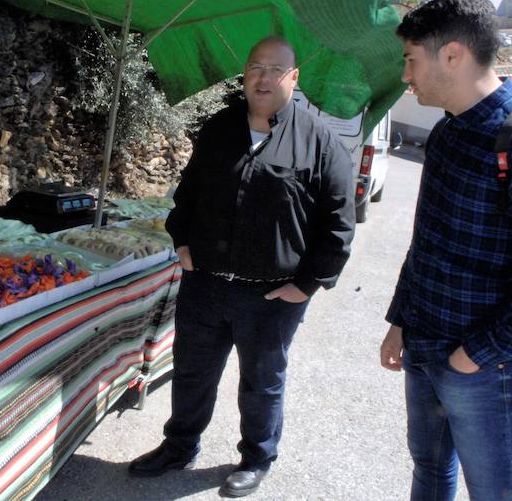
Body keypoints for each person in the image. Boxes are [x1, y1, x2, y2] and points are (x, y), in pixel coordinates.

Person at [129, 36, 355, 497]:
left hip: (272, 296)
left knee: (261, 382)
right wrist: (183, 241)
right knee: (192, 372)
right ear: (245, 75)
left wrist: (308, 284)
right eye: (255, 67)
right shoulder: (219, 128)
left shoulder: (321, 142)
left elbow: (339, 224)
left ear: (293, 78)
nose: (264, 77)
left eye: (276, 70)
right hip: (206, 285)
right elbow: (187, 194)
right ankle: (179, 445)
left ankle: (256, 457)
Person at [379, 0, 512, 501]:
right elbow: (427, 244)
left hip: (492, 369)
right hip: (425, 346)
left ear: (452, 54)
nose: (406, 76)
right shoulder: (447, 132)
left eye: (410, 59)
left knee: (495, 492)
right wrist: (401, 321)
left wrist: (471, 357)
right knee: (430, 472)